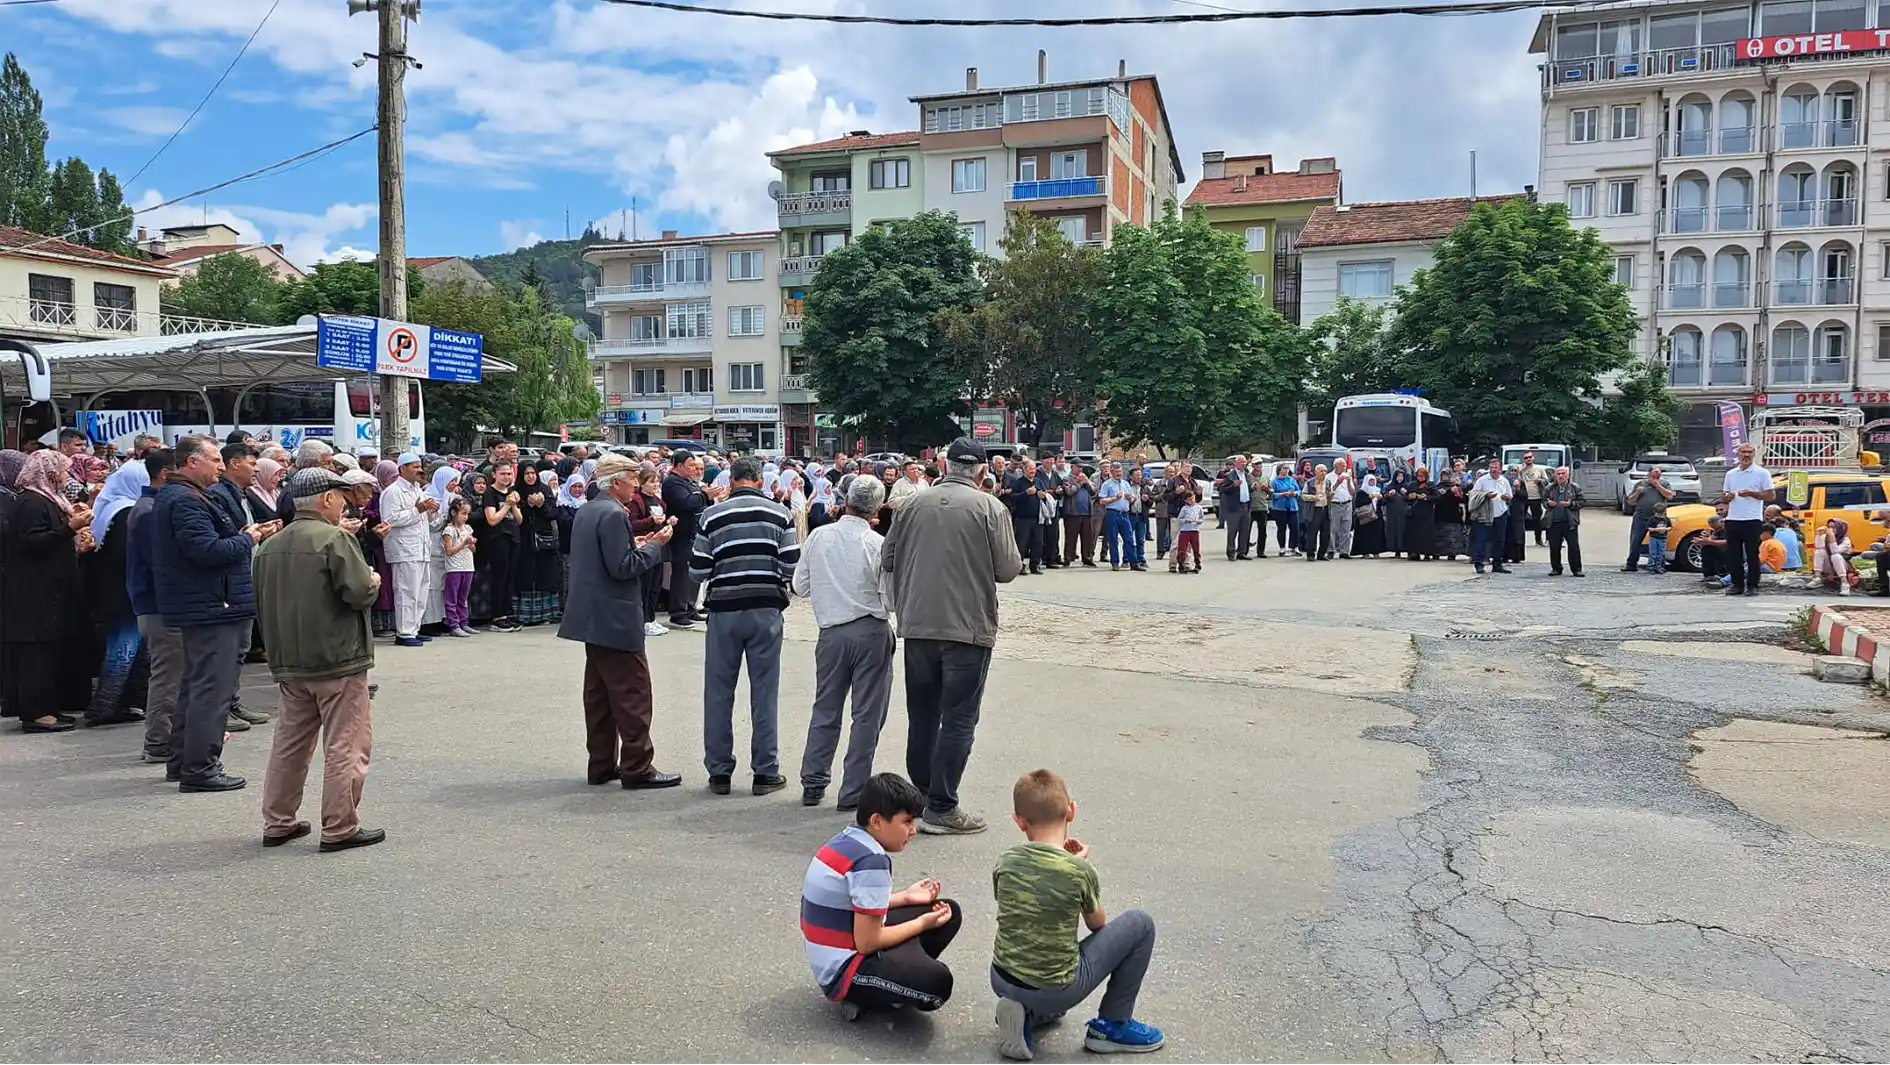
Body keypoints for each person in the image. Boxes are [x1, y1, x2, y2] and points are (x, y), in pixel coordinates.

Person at [883, 437, 1020, 834]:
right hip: (968, 626)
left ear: (943, 467)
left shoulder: (910, 505)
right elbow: (1008, 569)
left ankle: (923, 796)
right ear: (981, 472)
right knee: (959, 719)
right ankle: (942, 806)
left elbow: (888, 558)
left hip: (919, 624)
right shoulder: (989, 507)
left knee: (922, 715)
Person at [253, 467, 386, 851]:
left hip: (289, 659)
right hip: (337, 657)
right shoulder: (334, 539)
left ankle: (278, 820)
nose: (344, 502)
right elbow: (358, 593)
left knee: (290, 743)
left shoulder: (269, 545)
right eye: (340, 496)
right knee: (346, 742)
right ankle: (340, 825)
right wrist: (373, 582)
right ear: (327, 499)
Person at [990, 769, 1163, 1060]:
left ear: (1019, 821)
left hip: (1002, 978)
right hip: (1055, 988)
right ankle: (1112, 1025)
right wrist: (1076, 868)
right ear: (1071, 811)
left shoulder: (1006, 862)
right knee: (1140, 924)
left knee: (1036, 954)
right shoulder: (1079, 872)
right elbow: (1098, 924)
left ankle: (1025, 1014)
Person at [560, 453, 681, 789]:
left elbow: (608, 558)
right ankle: (637, 767)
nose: (636, 486)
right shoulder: (613, 513)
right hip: (615, 617)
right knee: (633, 694)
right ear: (615, 482)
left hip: (591, 615)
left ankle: (601, 764)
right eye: (632, 479)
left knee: (599, 697)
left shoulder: (589, 509)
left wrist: (637, 544)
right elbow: (623, 567)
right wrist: (655, 546)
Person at [153, 436, 267, 792]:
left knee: (196, 686)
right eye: (215, 460)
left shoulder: (186, 496)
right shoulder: (185, 499)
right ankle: (200, 768)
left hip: (208, 602)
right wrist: (247, 539)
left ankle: (183, 762)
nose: (221, 466)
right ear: (191, 462)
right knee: (210, 690)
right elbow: (205, 550)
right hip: (211, 604)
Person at [800, 773, 962, 1017]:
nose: (914, 830)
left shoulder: (848, 839)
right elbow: (868, 942)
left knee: (946, 911)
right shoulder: (872, 860)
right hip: (845, 972)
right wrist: (919, 924)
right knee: (938, 984)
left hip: (845, 947)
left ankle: (895, 978)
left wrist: (905, 898)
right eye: (906, 822)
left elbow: (855, 905)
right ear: (876, 821)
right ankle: (867, 996)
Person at [691, 456, 800, 796]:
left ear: (733, 479)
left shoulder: (711, 515)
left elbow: (697, 570)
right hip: (766, 610)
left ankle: (720, 772)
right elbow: (790, 565)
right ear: (759, 479)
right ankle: (766, 772)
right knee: (764, 691)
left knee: (719, 692)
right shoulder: (780, 514)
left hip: (724, 611)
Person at [795, 476, 897, 810]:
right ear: (877, 508)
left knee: (826, 707)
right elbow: (890, 598)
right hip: (870, 630)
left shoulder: (820, 536)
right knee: (867, 714)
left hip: (831, 633)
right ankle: (852, 790)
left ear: (846, 499)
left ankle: (813, 780)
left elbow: (800, 585)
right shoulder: (875, 543)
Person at [1, 450, 95, 733]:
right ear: (49, 472)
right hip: (34, 593)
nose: (67, 477)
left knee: (49, 653)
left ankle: (48, 707)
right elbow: (31, 543)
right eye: (63, 471)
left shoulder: (47, 499)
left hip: (51, 589)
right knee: (35, 655)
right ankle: (36, 713)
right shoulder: (31, 502)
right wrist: (69, 528)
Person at [125, 449, 183, 763]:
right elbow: (158, 564)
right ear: (165, 473)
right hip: (158, 605)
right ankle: (159, 741)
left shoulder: (153, 506)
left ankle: (168, 736)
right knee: (168, 674)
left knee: (173, 671)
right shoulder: (149, 511)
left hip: (160, 603)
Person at [84, 459, 150, 727]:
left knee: (131, 648)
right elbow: (127, 555)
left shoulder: (110, 506)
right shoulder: (126, 513)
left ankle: (124, 703)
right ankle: (103, 706)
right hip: (124, 591)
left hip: (114, 589)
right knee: (123, 648)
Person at [380, 452, 439, 648]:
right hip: (404, 549)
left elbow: (424, 517)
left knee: (421, 590)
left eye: (419, 466)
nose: (418, 470)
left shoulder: (417, 490)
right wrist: (418, 510)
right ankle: (404, 632)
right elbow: (391, 519)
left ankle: (414, 628)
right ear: (402, 469)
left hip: (421, 547)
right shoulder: (392, 492)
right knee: (407, 591)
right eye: (414, 466)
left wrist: (431, 510)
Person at [662, 451, 721, 629]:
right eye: (691, 465)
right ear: (679, 466)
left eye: (696, 466)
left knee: (693, 572)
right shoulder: (672, 483)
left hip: (694, 533)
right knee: (681, 574)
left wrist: (708, 497)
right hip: (682, 534)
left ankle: (690, 607)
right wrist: (704, 495)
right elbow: (686, 502)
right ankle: (678, 612)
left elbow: (698, 502)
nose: (695, 469)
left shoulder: (689, 482)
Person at [1720, 442, 1774, 596]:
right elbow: (1725, 495)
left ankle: (1752, 585)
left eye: (1750, 452)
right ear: (1739, 453)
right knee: (1733, 554)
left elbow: (1771, 495)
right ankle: (1737, 585)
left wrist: (1752, 493)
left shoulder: (1762, 473)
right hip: (1733, 518)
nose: (1747, 455)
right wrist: (1728, 497)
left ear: (1754, 454)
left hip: (1752, 518)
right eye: (1744, 452)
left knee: (1752, 554)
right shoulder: (1731, 474)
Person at [476, 463, 524, 632]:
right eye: (503, 474)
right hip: (498, 538)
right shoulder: (490, 493)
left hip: (514, 537)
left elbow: (519, 519)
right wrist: (506, 505)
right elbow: (492, 519)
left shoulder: (511, 492)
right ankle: (498, 616)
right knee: (499, 577)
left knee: (510, 577)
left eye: (509, 474)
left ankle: (508, 612)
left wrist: (514, 505)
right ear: (495, 474)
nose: (506, 477)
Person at [513, 464, 562, 625]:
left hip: (543, 539)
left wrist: (541, 506)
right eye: (526, 473)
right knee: (525, 574)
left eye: (533, 473)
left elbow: (554, 513)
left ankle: (546, 614)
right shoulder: (516, 490)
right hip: (523, 538)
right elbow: (516, 516)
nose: (530, 476)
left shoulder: (544, 489)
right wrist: (528, 505)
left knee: (544, 574)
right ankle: (525, 615)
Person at [1621, 466, 1674, 572]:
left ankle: (1658, 565)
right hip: (1641, 517)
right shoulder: (1640, 484)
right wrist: (1637, 493)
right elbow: (1630, 501)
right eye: (1654, 474)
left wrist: (1658, 486)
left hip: (1658, 519)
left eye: (1658, 475)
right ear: (1648, 474)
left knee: (1659, 542)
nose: (1656, 477)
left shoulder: (1664, 484)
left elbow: (1669, 496)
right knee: (1636, 541)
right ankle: (1631, 564)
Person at [1469, 459, 1513, 575]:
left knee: (1499, 540)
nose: (1493, 470)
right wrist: (1486, 495)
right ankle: (1479, 563)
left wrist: (1506, 498)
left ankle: (1497, 564)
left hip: (1500, 513)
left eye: (1496, 468)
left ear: (1500, 469)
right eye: (1491, 467)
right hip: (1485, 514)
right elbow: (1473, 495)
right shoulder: (1482, 480)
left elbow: (1510, 496)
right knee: (1482, 539)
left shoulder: (1504, 481)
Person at [441, 499, 478, 636]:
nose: (465, 517)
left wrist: (471, 543)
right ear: (453, 513)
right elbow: (449, 551)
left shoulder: (468, 529)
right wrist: (463, 544)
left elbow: (473, 550)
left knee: (463, 597)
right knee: (452, 597)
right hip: (454, 568)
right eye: (463, 513)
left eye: (467, 514)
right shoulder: (449, 530)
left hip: (468, 566)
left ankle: (464, 622)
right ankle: (454, 624)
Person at [1542, 465, 1584, 577]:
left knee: (1573, 546)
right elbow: (1544, 501)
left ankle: (1576, 569)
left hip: (1569, 521)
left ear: (1568, 475)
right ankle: (1556, 568)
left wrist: (1570, 504)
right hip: (1553, 521)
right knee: (1554, 546)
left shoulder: (1575, 487)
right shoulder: (1549, 488)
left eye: (1563, 474)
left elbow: (1582, 502)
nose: (1560, 476)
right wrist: (1548, 504)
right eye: (1558, 474)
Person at [1003, 457, 1042, 575]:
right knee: (1022, 543)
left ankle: (1035, 565)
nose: (1032, 471)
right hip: (1023, 518)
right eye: (1030, 469)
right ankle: (1019, 566)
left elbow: (1044, 493)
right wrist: (1026, 493)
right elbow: (1014, 497)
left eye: (1034, 468)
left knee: (1037, 542)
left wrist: (1043, 495)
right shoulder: (1018, 483)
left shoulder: (1038, 481)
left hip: (1037, 517)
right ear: (1024, 470)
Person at [1100, 461, 1138, 571]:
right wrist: (1114, 498)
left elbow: (1133, 499)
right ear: (1111, 472)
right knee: (1113, 539)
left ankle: (1133, 562)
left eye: (1120, 471)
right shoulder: (1107, 484)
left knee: (1129, 539)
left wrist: (1130, 497)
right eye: (1116, 471)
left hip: (1125, 514)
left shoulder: (1126, 484)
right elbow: (1102, 500)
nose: (1118, 473)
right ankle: (1115, 562)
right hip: (1112, 513)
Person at [1215, 457, 1252, 560]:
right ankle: (1231, 551)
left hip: (1246, 505)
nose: (1243, 464)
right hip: (1234, 507)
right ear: (1236, 464)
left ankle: (1242, 552)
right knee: (1233, 530)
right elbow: (1222, 489)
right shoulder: (1229, 476)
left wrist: (1252, 488)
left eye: (1245, 462)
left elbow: (1247, 489)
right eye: (1241, 462)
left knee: (1245, 530)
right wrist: (1233, 486)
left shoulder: (1247, 475)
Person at [1401, 467, 1438, 562]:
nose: (1420, 478)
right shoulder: (1412, 484)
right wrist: (1410, 496)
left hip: (1426, 513)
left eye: (1422, 476)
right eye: (1418, 476)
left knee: (1426, 534)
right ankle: (1414, 553)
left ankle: (1427, 553)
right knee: (1414, 533)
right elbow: (1405, 497)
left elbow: (1437, 496)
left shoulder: (1430, 485)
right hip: (1414, 513)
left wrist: (1426, 497)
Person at [1063, 465, 1097, 567]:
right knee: (1071, 537)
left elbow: (1093, 491)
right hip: (1073, 513)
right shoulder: (1067, 478)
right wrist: (1079, 483)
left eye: (1081, 467)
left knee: (1087, 537)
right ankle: (1068, 558)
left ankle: (1087, 558)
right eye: (1078, 467)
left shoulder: (1085, 478)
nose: (1080, 469)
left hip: (1087, 513)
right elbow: (1069, 491)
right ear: (1073, 468)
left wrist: (1087, 482)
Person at [1433, 465, 1468, 561]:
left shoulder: (1455, 487)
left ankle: (1452, 554)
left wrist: (1457, 493)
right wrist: (1443, 493)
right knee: (1440, 535)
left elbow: (1463, 499)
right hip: (1440, 515)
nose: (1445, 477)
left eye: (1446, 475)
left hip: (1453, 514)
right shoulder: (1438, 487)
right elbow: (1435, 498)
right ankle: (1437, 553)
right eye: (1443, 475)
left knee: (1453, 535)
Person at [1814, 518, 1855, 595]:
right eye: (1829, 527)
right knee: (1819, 551)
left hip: (1842, 566)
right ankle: (1817, 578)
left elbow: (1835, 551)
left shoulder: (1845, 540)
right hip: (1829, 566)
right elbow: (1818, 546)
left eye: (1834, 527)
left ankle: (1844, 583)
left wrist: (1832, 537)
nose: (1831, 529)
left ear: (1840, 528)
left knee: (1835, 556)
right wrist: (1818, 534)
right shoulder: (1825, 537)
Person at [1351, 470, 1385, 558]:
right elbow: (1358, 502)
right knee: (1365, 535)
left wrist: (1381, 498)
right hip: (1365, 516)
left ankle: (1376, 551)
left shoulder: (1377, 490)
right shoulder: (1361, 491)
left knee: (1376, 534)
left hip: (1376, 515)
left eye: (1373, 481)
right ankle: (1365, 551)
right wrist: (1369, 498)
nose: (1372, 482)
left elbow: (1382, 503)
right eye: (1370, 481)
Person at [1518, 451, 1549, 547]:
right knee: (1521, 520)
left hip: (1536, 497)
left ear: (1533, 458)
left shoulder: (1539, 469)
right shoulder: (1520, 469)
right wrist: (1521, 469)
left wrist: (1540, 481)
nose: (1528, 459)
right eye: (1526, 458)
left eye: (1530, 457)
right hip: (1524, 498)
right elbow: (1515, 478)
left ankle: (1538, 540)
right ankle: (1520, 541)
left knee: (1537, 520)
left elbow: (1546, 481)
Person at [1327, 459, 1356, 559]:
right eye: (1342, 466)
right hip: (1335, 504)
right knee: (1333, 528)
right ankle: (1331, 550)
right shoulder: (1329, 477)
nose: (1344, 468)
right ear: (1336, 466)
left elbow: (1352, 492)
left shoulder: (1348, 476)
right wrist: (1338, 482)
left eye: (1344, 466)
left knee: (1346, 528)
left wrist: (1348, 482)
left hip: (1347, 503)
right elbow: (1329, 492)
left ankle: (1344, 551)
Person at [1128, 466, 1153, 569]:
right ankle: (1127, 559)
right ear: (1131, 476)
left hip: (1142, 516)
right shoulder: (1127, 487)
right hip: (1130, 515)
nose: (1138, 477)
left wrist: (1147, 500)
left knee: (1140, 539)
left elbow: (1151, 503)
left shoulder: (1145, 488)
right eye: (1136, 475)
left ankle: (1141, 559)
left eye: (1140, 475)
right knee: (1128, 539)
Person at [1173, 491, 1203, 574]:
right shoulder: (1184, 508)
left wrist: (1199, 521)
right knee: (1182, 548)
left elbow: (1201, 518)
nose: (1191, 501)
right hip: (1185, 531)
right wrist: (1185, 521)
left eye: (1192, 498)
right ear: (1186, 501)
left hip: (1195, 530)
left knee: (1196, 548)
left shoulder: (1199, 508)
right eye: (1189, 500)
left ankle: (1197, 563)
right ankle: (1181, 564)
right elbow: (1179, 519)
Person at [1381, 468, 1409, 559]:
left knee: (1402, 530)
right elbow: (1383, 500)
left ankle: (1403, 548)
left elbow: (1411, 498)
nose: (1400, 478)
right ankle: (1395, 550)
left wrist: (1406, 494)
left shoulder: (1406, 486)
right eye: (1398, 476)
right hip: (1392, 513)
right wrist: (1389, 495)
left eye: (1402, 476)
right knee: (1394, 531)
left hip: (1403, 513)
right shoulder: (1390, 486)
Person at [1645, 503, 1672, 575]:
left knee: (1661, 553)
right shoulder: (1652, 519)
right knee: (1653, 553)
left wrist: (1665, 529)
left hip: (1663, 538)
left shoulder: (1666, 519)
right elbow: (1649, 528)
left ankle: (1659, 566)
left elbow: (1670, 527)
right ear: (1654, 512)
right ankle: (1651, 566)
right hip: (1654, 538)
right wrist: (1656, 529)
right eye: (1658, 514)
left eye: (1661, 514)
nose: (1660, 516)